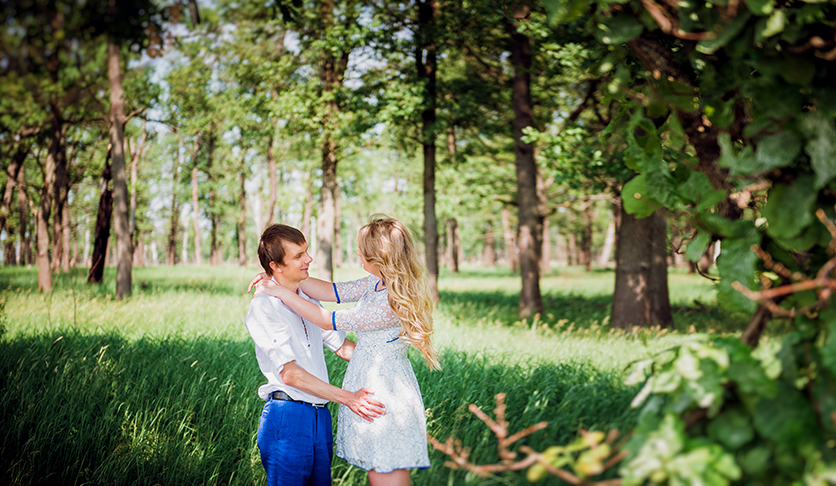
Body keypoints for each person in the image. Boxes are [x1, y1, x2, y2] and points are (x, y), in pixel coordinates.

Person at [253, 215, 440, 486]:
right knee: (381, 472)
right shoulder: (374, 284)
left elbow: (326, 320)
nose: (357, 253)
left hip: (380, 392)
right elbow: (329, 290)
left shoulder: (387, 300)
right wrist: (277, 278)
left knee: (385, 474)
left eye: (362, 248)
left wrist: (281, 288)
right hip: (368, 390)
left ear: (380, 255)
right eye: (299, 255)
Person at [245, 224, 385, 486]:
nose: (309, 259)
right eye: (298, 256)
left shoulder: (305, 300)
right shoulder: (264, 306)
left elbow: (343, 348)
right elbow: (291, 375)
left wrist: (387, 359)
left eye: (306, 252)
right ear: (276, 265)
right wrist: (349, 398)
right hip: (287, 417)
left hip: (320, 416)